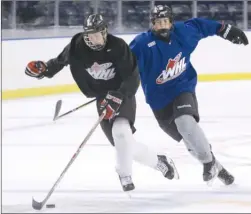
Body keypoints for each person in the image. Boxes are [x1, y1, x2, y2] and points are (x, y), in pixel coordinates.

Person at [25, 14, 179, 192]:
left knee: (121, 132)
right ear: (85, 35)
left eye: (99, 34)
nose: (96, 39)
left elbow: (132, 76)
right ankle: (159, 162)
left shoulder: (118, 46)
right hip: (101, 96)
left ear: (105, 32)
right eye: (91, 35)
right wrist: (44, 69)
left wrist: (119, 95)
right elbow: (59, 62)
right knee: (124, 144)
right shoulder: (77, 46)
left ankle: (124, 173)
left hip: (122, 93)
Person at [129, 5, 249, 186]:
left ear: (171, 22)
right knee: (189, 141)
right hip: (158, 100)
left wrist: (225, 30)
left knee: (185, 123)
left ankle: (208, 163)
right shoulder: (141, 44)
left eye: (165, 22)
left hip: (182, 87)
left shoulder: (183, 32)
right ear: (152, 24)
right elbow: (125, 64)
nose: (162, 26)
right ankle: (219, 168)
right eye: (158, 22)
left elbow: (201, 26)